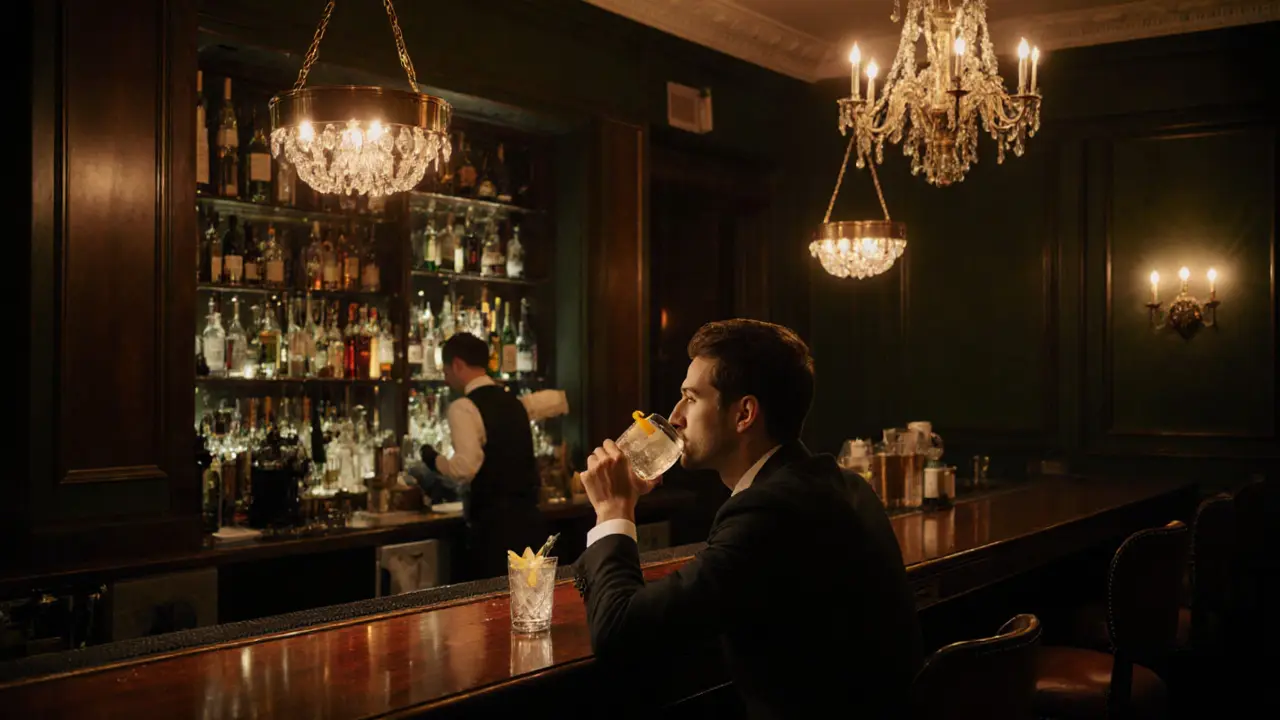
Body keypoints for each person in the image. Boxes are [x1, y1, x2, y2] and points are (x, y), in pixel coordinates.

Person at [575, 319, 923, 719]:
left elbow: (621, 638)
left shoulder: (770, 512)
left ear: (744, 414)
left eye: (691, 398)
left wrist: (613, 510)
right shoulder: (838, 484)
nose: (674, 417)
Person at [420, 332, 545, 580]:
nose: (446, 379)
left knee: (489, 610)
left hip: (493, 530)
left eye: (445, 371)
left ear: (457, 365)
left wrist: (432, 459)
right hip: (529, 523)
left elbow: (465, 468)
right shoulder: (514, 402)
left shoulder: (463, 407)